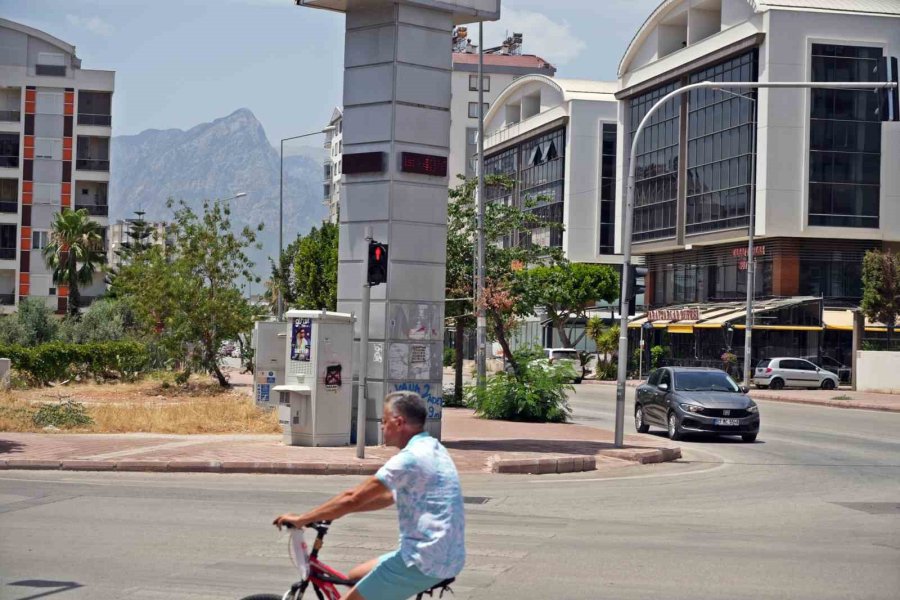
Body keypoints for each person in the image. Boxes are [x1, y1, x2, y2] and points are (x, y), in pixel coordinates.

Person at [273, 391, 465, 600]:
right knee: (355, 576)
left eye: (384, 421)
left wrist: (303, 519)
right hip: (448, 555)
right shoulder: (434, 448)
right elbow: (388, 497)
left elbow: (352, 497)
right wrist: (334, 512)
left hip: (423, 560)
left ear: (398, 422)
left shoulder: (410, 459)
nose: (382, 427)